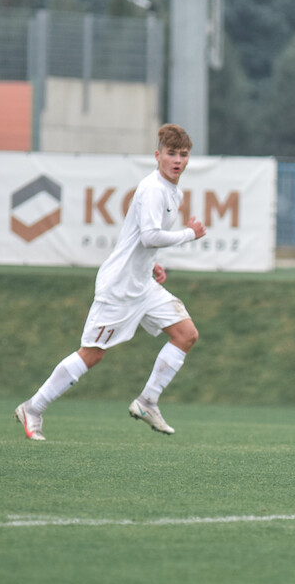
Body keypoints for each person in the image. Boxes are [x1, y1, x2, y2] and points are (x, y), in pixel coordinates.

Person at [15, 124, 207, 441]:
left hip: (142, 284)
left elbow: (141, 241)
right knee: (92, 354)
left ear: (188, 159)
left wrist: (154, 264)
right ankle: (33, 408)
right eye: (171, 153)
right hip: (119, 287)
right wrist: (190, 234)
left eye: (183, 155)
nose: (177, 160)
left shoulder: (174, 190)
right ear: (158, 155)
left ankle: (147, 401)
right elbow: (148, 236)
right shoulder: (153, 189)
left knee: (186, 334)